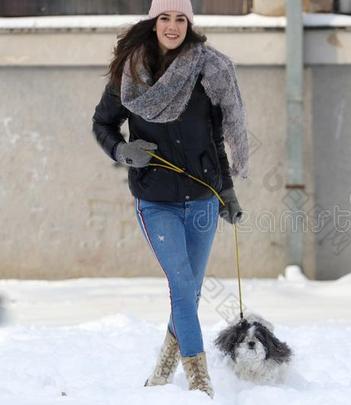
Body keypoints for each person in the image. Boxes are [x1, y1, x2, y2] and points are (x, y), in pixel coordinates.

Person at [91, 0, 249, 398]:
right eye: (165, 17)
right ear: (153, 22)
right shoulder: (130, 73)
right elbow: (102, 123)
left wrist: (226, 190)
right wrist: (123, 152)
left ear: (189, 24)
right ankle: (199, 381)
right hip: (155, 199)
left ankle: (165, 364)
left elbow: (216, 139)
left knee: (190, 291)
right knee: (181, 285)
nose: (173, 26)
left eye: (181, 19)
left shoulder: (206, 71)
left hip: (202, 199)